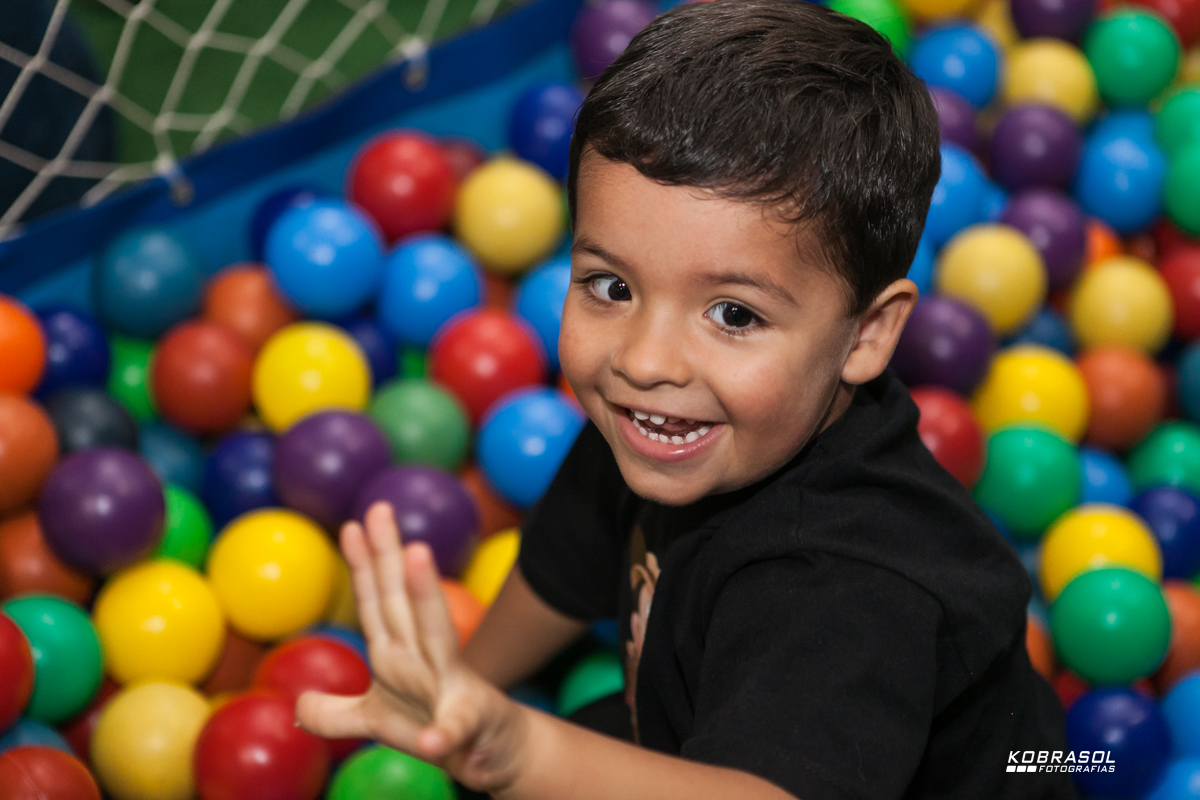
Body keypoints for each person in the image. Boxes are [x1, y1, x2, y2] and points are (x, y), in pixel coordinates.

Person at [296, 1, 1073, 797]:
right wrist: (451, 704)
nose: (645, 358)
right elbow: (563, 568)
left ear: (867, 335)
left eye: (733, 314)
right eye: (612, 286)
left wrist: (519, 751)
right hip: (698, 733)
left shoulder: (847, 582)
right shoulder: (658, 420)